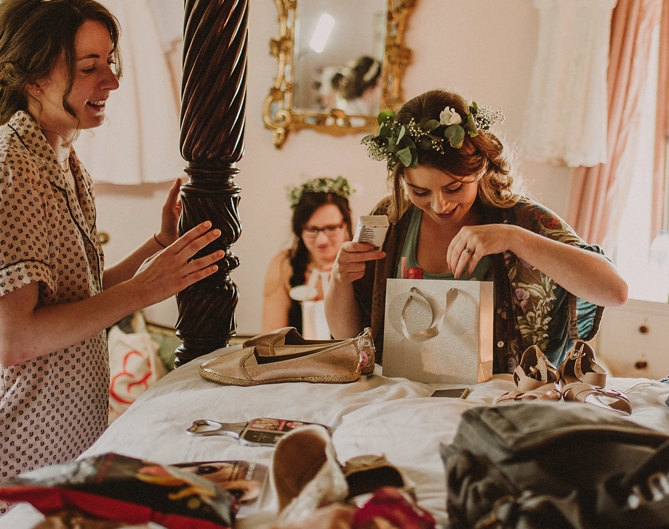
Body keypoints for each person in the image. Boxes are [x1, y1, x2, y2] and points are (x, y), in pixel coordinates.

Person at [0, 0, 224, 529]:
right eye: (89, 67)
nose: (111, 80)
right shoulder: (7, 170)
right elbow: (13, 337)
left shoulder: (62, 160)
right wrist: (147, 288)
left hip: (42, 472)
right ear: (33, 78)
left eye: (110, 62)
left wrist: (156, 248)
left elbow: (70, 301)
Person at [325, 89, 628, 372]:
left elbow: (615, 291)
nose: (439, 205)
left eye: (454, 187)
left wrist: (513, 238)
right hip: (403, 399)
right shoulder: (392, 219)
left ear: (479, 169)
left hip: (496, 404)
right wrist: (340, 278)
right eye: (420, 192)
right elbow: (346, 336)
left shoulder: (521, 219)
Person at [262, 178, 354, 338]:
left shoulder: (363, 261)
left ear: (345, 224)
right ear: (299, 229)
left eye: (331, 228)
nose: (322, 240)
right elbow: (271, 338)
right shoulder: (284, 264)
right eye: (311, 230)